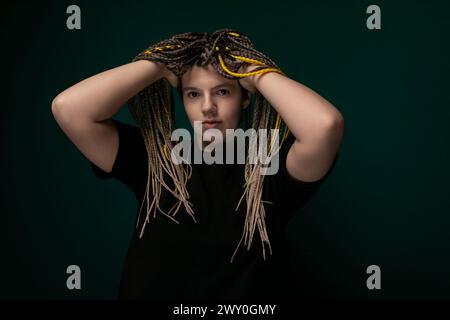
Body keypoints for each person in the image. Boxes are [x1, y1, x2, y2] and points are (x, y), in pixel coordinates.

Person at [51, 28, 345, 300]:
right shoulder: (155, 157)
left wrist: (253, 72)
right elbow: (70, 109)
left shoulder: (271, 166)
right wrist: (164, 63)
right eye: (193, 94)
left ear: (245, 98)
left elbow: (325, 125)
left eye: (222, 91)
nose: (207, 107)